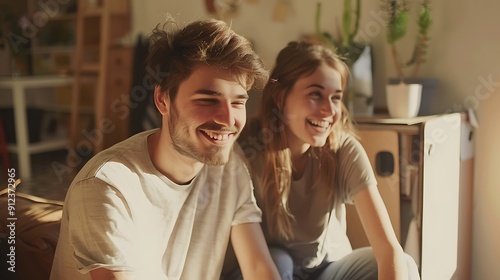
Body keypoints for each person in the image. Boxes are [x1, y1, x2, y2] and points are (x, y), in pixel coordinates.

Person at [50, 18, 281, 280]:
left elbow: (260, 270)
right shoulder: (106, 186)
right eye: (208, 100)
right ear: (162, 99)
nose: (228, 120)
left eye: (238, 102)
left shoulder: (231, 167)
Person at [233, 41, 420, 279]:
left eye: (336, 98)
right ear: (280, 97)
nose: (329, 110)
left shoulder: (343, 149)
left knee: (404, 264)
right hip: (266, 270)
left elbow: (388, 249)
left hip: (328, 269)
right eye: (315, 94)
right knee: (279, 260)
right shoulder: (246, 146)